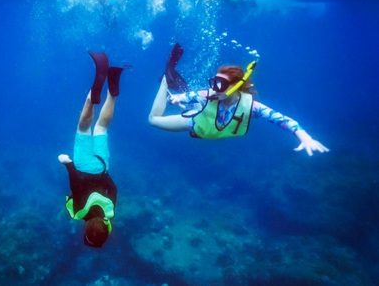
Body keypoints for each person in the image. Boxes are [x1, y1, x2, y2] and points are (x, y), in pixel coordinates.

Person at [149, 43, 329, 156]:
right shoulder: (208, 94)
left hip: (208, 123)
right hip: (195, 124)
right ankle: (166, 77)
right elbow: (184, 96)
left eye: (220, 84)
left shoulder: (251, 107)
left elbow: (282, 119)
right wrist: (174, 98)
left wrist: (305, 137)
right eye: (213, 82)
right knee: (154, 120)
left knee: (196, 101)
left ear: (235, 87)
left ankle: (178, 88)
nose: (213, 88)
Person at [58, 51, 127, 248]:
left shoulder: (109, 212)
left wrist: (104, 174)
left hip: (102, 165)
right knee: (83, 128)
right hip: (82, 165)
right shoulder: (80, 213)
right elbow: (76, 186)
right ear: (86, 230)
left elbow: (113, 188)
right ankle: (93, 95)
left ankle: (112, 91)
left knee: (101, 127)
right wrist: (67, 163)